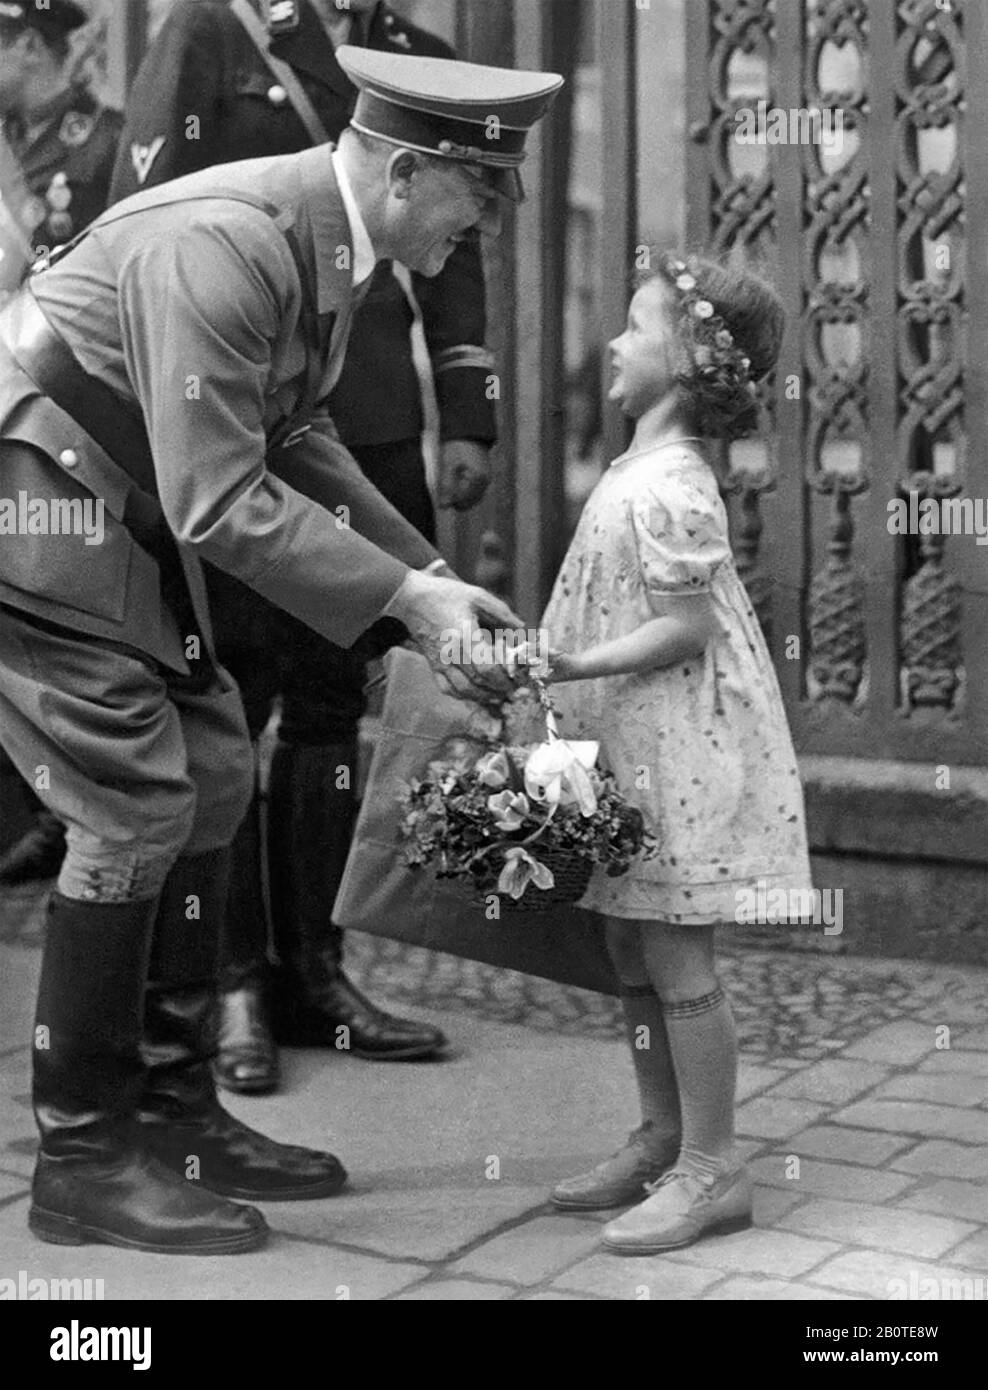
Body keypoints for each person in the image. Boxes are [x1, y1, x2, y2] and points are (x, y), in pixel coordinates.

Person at [0, 47, 563, 1255]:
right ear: (405, 173)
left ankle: (175, 1118)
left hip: (111, 502)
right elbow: (218, 499)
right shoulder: (230, 242)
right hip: (39, 506)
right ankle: (84, 1160)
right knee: (133, 800)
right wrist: (407, 602)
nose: (482, 224)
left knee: (212, 768)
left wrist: (427, 579)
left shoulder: (322, 240)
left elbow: (295, 436)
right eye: (477, 195)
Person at [108, 0, 501, 1085]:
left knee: (330, 705)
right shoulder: (212, 35)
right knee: (223, 710)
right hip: (210, 412)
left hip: (341, 409)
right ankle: (227, 990)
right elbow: (153, 214)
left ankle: (312, 976)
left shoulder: (413, 64)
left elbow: (449, 260)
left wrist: (432, 548)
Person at [538, 252, 812, 1252]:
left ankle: (713, 1165)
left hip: (682, 742)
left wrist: (572, 662)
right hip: (637, 737)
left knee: (676, 950)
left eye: (636, 326)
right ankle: (663, 1134)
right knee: (630, 942)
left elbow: (685, 628)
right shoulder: (636, 468)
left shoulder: (673, 485)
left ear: (691, 357)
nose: (613, 343)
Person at [0, 0, 122, 886]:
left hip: (61, 421)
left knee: (59, 606)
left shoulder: (104, 142)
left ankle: (65, 805)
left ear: (28, 45)